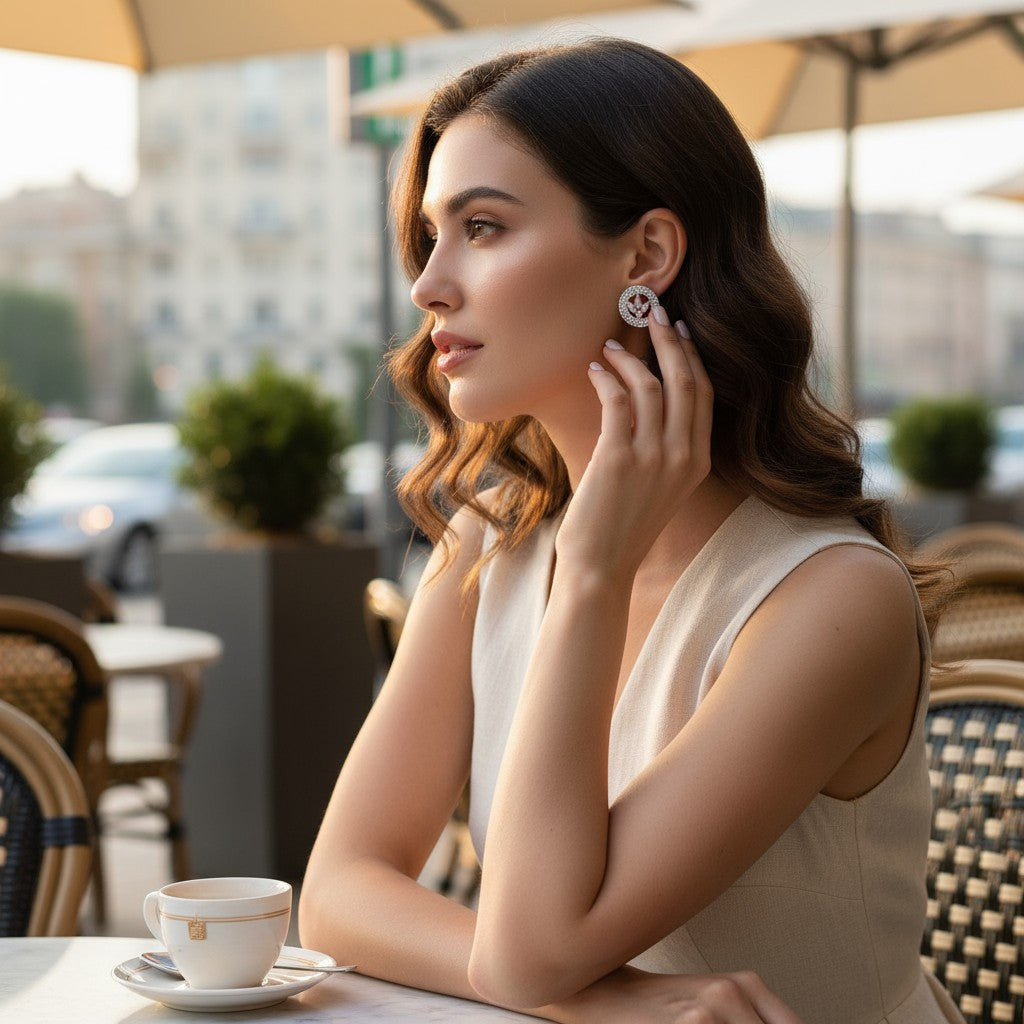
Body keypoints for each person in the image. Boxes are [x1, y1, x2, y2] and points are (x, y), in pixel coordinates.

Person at [300, 38, 963, 1024]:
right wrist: (625, 1001)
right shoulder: (489, 547)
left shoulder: (829, 598)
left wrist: (597, 570)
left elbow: (529, 959)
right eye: (432, 234)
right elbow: (341, 887)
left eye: (482, 227)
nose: (428, 286)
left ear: (646, 255)